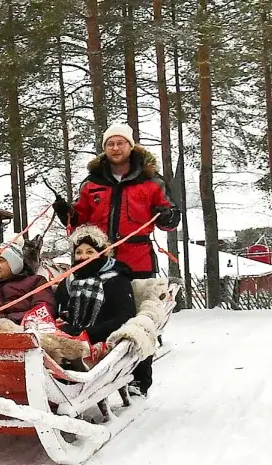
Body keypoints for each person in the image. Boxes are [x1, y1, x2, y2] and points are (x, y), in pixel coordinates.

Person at [52, 123, 179, 395]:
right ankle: (100, 366)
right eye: (110, 143)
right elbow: (79, 223)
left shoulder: (152, 181)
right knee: (100, 312)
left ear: (131, 146)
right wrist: (67, 214)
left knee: (138, 318)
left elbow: (170, 219)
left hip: (137, 259)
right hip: (99, 261)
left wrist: (168, 216)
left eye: (121, 142)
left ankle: (139, 378)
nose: (115, 148)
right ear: (104, 148)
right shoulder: (92, 183)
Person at [53, 225, 136, 358]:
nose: (83, 257)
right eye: (78, 252)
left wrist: (87, 332)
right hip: (66, 340)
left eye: (90, 252)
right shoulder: (68, 282)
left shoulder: (117, 280)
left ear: (102, 253)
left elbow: (124, 317)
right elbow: (54, 309)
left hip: (103, 342)